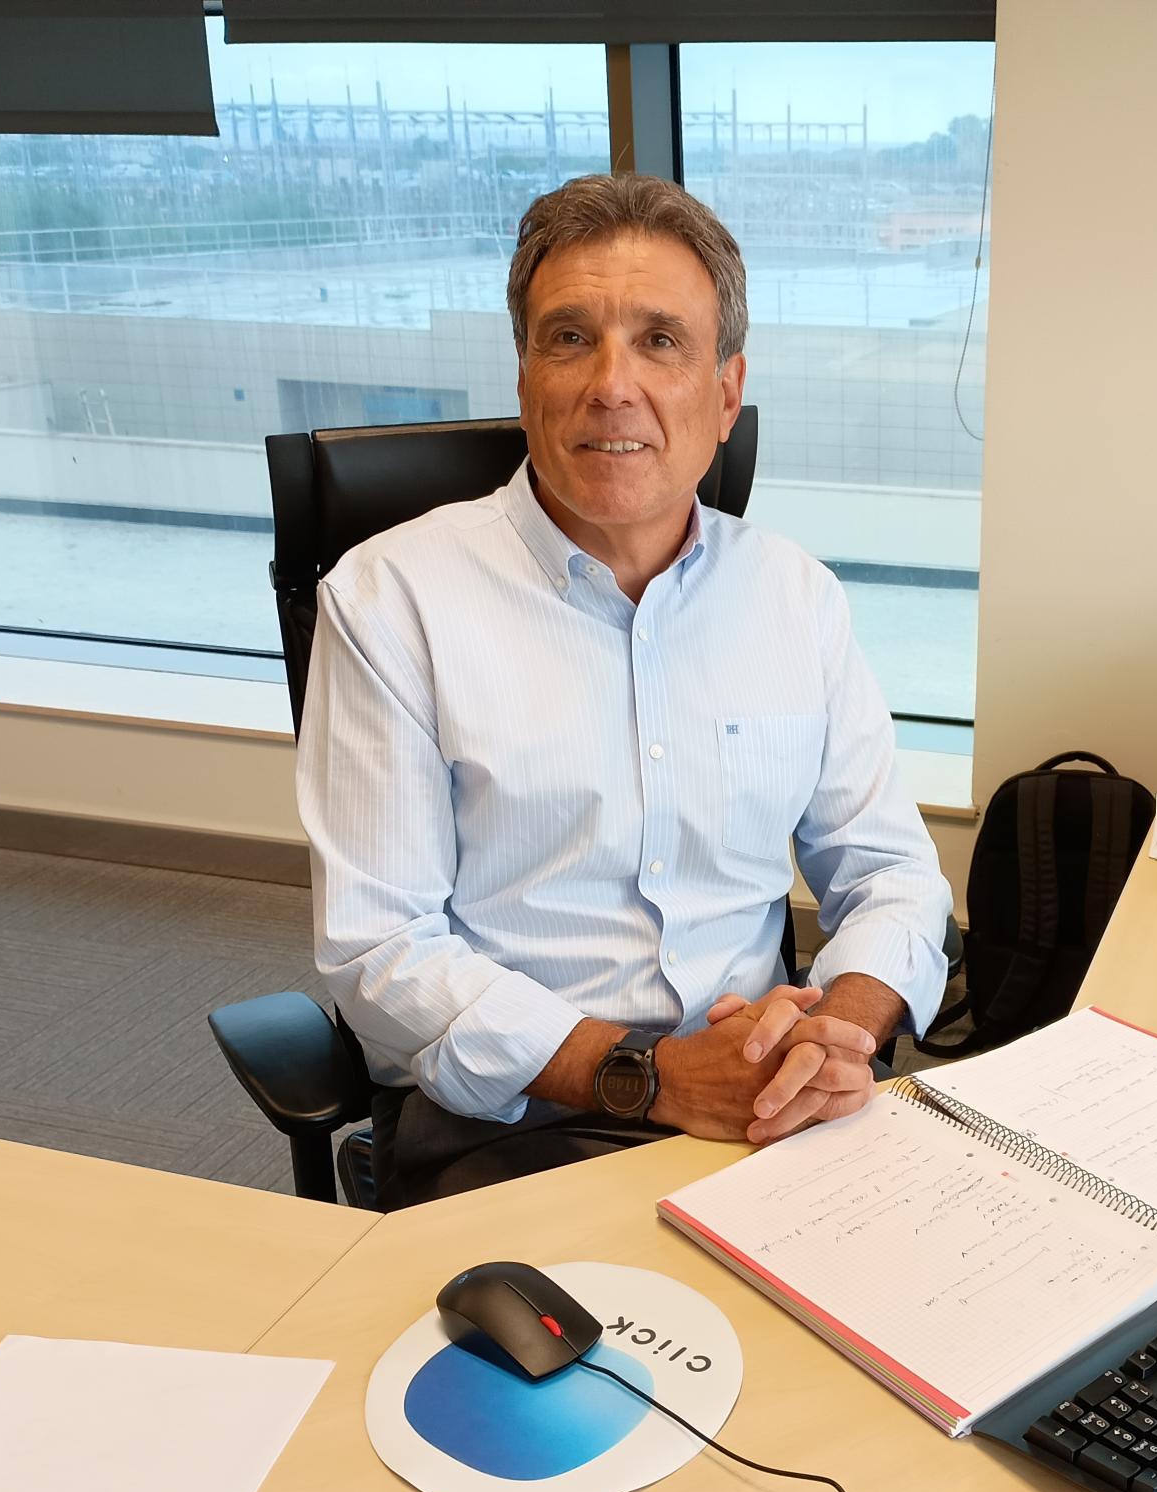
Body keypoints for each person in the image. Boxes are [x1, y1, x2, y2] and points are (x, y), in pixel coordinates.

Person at [296, 175, 953, 1208]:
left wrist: (840, 1030)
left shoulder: (795, 596)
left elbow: (890, 873)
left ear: (725, 394)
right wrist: (651, 1076)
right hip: (520, 1118)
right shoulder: (390, 601)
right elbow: (381, 951)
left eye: (660, 341)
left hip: (767, 1092)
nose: (613, 384)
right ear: (525, 377)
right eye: (570, 339)